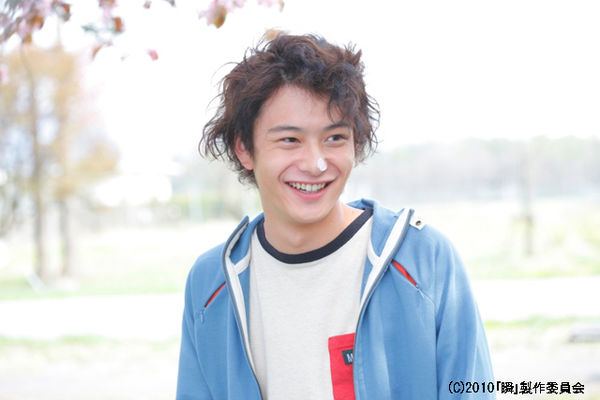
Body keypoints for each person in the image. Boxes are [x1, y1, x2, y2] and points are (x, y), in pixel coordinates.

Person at [176, 33, 494, 400]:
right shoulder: (211, 282)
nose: (316, 164)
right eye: (290, 140)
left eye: (335, 138)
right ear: (245, 149)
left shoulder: (424, 259)